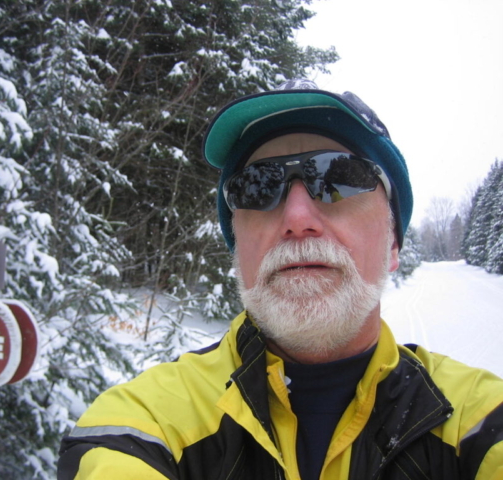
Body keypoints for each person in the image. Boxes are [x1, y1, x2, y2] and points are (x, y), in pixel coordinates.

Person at [57, 79, 503, 479]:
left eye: (337, 176)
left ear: (392, 244)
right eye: (257, 185)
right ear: (238, 250)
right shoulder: (143, 422)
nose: (296, 218)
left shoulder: (478, 418)